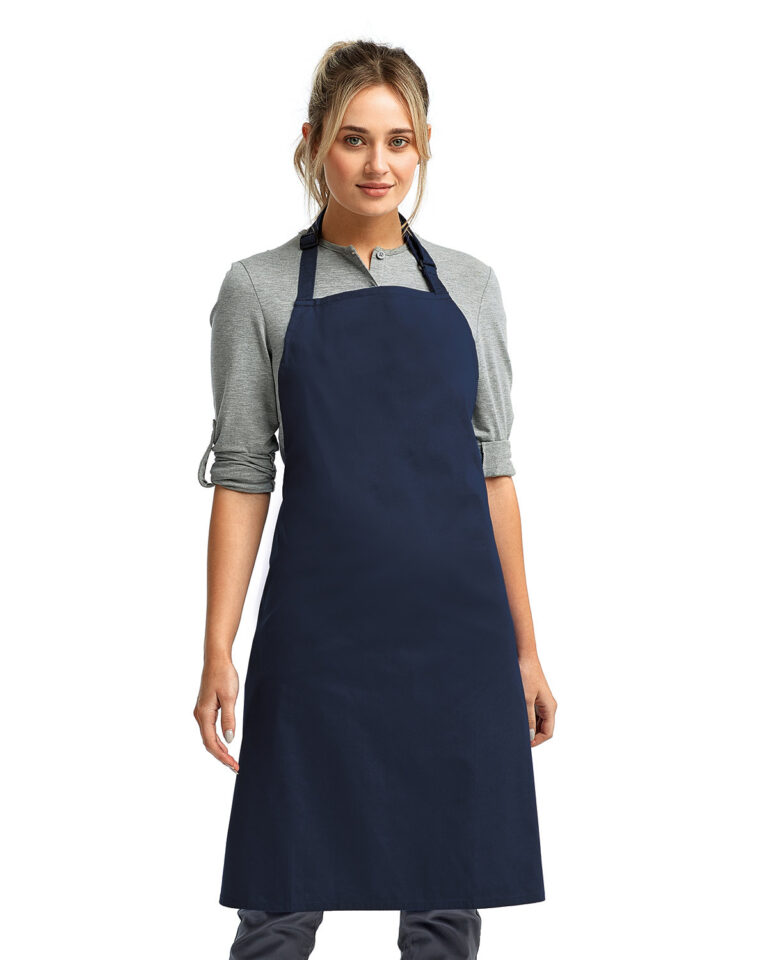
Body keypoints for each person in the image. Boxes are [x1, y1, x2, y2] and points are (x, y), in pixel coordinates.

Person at [194, 39, 557, 960]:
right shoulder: (258, 288)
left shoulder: (470, 286)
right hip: (319, 640)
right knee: (280, 900)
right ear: (314, 141)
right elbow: (243, 474)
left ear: (423, 146)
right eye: (354, 139)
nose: (377, 164)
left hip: (455, 640)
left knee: (445, 904)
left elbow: (496, 473)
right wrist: (217, 649)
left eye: (399, 141)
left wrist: (525, 651)